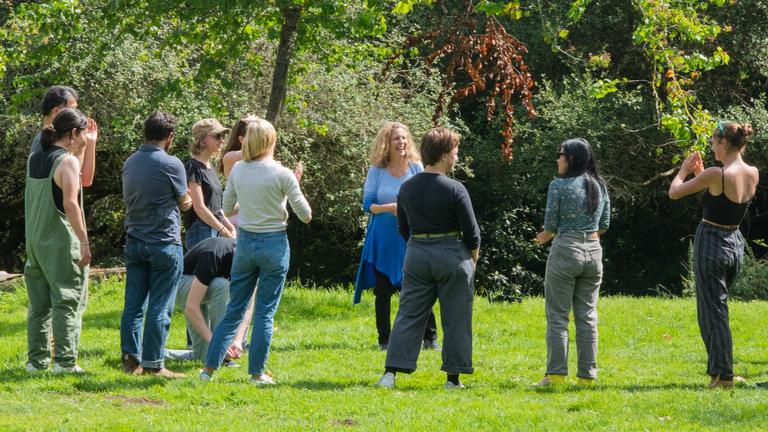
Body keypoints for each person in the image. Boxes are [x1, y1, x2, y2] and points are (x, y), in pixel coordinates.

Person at [200, 117, 311, 385]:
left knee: (234, 308)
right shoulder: (282, 173)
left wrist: (252, 205)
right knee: (265, 312)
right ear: (271, 141)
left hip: (246, 243)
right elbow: (305, 215)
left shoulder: (238, 170)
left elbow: (226, 210)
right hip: (274, 243)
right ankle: (256, 373)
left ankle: (208, 371)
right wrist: (283, 196)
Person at [376, 127, 480, 390]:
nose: (457, 154)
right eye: (455, 150)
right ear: (445, 154)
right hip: (451, 254)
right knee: (456, 316)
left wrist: (418, 246)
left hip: (417, 253)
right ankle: (452, 379)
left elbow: (403, 228)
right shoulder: (456, 189)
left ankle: (390, 374)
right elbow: (472, 232)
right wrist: (473, 259)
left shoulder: (407, 188)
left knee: (408, 313)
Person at [669, 122, 758, 389]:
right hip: (735, 244)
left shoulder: (715, 173)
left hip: (711, 243)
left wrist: (684, 171)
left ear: (722, 143)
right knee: (717, 310)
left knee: (712, 312)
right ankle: (721, 372)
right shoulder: (752, 172)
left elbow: (674, 192)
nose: (710, 147)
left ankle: (723, 376)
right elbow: (724, 202)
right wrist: (703, 175)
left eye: (712, 142)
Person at [354, 122, 440, 351]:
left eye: (404, 138)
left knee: (419, 287)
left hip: (410, 237)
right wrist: (388, 208)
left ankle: (430, 338)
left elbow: (427, 198)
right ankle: (385, 340)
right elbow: (367, 205)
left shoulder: (416, 167)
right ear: (386, 144)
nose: (401, 143)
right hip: (383, 238)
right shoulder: (377, 170)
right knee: (383, 291)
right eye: (396, 139)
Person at [24, 108, 97, 374]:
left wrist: (84, 147)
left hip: (35, 240)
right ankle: (65, 362)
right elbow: (70, 203)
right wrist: (84, 242)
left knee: (39, 306)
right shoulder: (67, 162)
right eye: (83, 133)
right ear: (74, 133)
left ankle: (36, 361)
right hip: (60, 242)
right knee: (67, 299)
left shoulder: (35, 158)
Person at [533, 138, 610, 387]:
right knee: (587, 316)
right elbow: (605, 224)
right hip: (593, 251)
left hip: (566, 250)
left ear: (572, 159)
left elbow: (552, 224)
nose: (558, 159)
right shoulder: (600, 185)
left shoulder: (559, 186)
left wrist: (549, 234)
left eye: (561, 155)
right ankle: (587, 377)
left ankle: (555, 375)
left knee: (557, 316)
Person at [120, 111, 192, 378]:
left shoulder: (130, 162)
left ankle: (130, 360)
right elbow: (184, 202)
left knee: (133, 305)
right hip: (164, 242)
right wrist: (188, 201)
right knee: (160, 305)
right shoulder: (172, 164)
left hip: (135, 241)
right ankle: (153, 364)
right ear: (169, 137)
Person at [167, 237, 254, 363]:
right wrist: (216, 342)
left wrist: (238, 340)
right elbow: (191, 307)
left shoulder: (252, 264)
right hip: (178, 285)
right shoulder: (214, 253)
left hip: (203, 289)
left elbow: (248, 306)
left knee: (203, 358)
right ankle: (221, 345)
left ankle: (162, 354)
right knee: (221, 285)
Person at [184, 119, 236, 250]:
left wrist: (228, 224)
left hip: (214, 227)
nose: (222, 140)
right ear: (202, 138)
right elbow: (199, 208)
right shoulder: (192, 167)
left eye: (223, 136)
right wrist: (224, 229)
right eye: (217, 136)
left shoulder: (210, 167)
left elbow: (215, 205)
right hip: (201, 230)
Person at [31, 86, 96, 188]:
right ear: (56, 111)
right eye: (73, 109)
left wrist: (90, 142)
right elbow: (75, 185)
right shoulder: (44, 143)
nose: (77, 114)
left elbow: (85, 181)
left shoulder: (62, 141)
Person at [216, 115, 259, 228]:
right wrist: (257, 123)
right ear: (241, 139)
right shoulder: (231, 156)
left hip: (251, 216)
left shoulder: (255, 157)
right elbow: (262, 148)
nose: (260, 139)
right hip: (237, 217)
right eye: (256, 135)